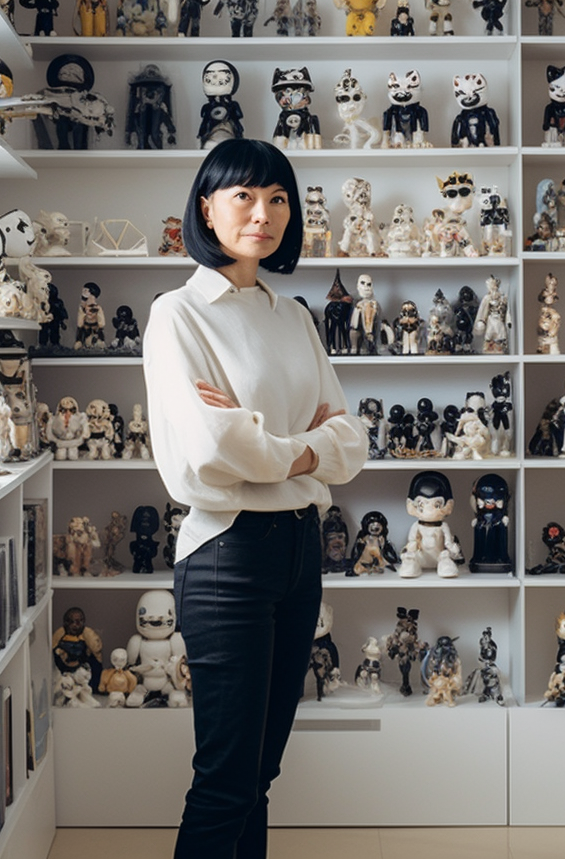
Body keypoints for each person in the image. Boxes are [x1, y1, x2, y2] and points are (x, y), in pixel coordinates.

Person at [142, 139, 368, 858]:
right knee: (226, 778)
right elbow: (213, 449)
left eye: (277, 198)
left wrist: (271, 444)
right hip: (227, 554)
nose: (261, 213)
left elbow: (352, 441)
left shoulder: (294, 315)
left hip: (301, 549)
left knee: (260, 773)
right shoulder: (178, 313)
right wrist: (306, 449)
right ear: (206, 207)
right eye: (242, 195)